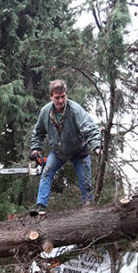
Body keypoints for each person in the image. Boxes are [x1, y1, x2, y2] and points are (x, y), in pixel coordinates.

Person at [30, 79, 101, 214]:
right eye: (57, 98)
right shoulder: (45, 112)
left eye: (63, 97)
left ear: (66, 94)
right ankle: (40, 207)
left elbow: (89, 128)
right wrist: (36, 148)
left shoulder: (75, 110)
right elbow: (38, 132)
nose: (61, 101)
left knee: (86, 183)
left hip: (79, 151)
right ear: (51, 97)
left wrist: (97, 147)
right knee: (46, 173)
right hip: (58, 152)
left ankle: (89, 209)